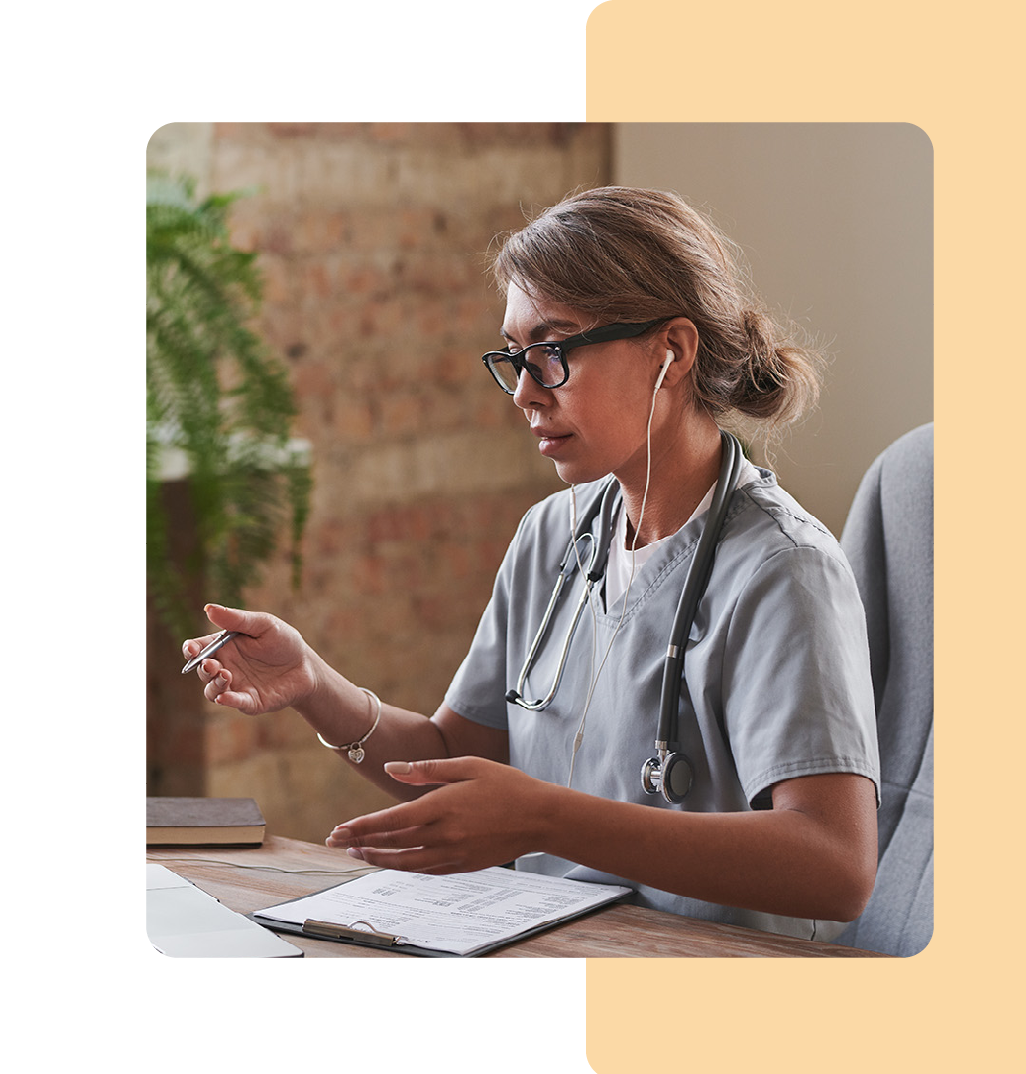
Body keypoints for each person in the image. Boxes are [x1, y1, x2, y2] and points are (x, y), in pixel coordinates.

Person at [184, 186, 880, 941]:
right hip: (552, 953)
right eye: (515, 358)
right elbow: (455, 758)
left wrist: (545, 818)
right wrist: (315, 686)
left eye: (551, 353)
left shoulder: (782, 569)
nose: (523, 393)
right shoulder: (554, 534)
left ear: (671, 351)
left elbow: (835, 866)